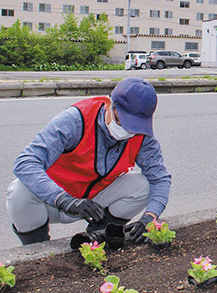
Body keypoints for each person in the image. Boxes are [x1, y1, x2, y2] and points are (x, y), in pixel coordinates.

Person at [6, 77, 171, 245]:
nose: (129, 130)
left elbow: (160, 178)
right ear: (108, 104)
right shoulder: (76, 120)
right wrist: (65, 200)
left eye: (136, 125)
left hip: (94, 205)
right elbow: (25, 162)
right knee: (19, 192)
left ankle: (96, 238)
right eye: (123, 121)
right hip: (52, 202)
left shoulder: (142, 135)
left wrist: (150, 217)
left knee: (143, 185)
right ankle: (37, 250)